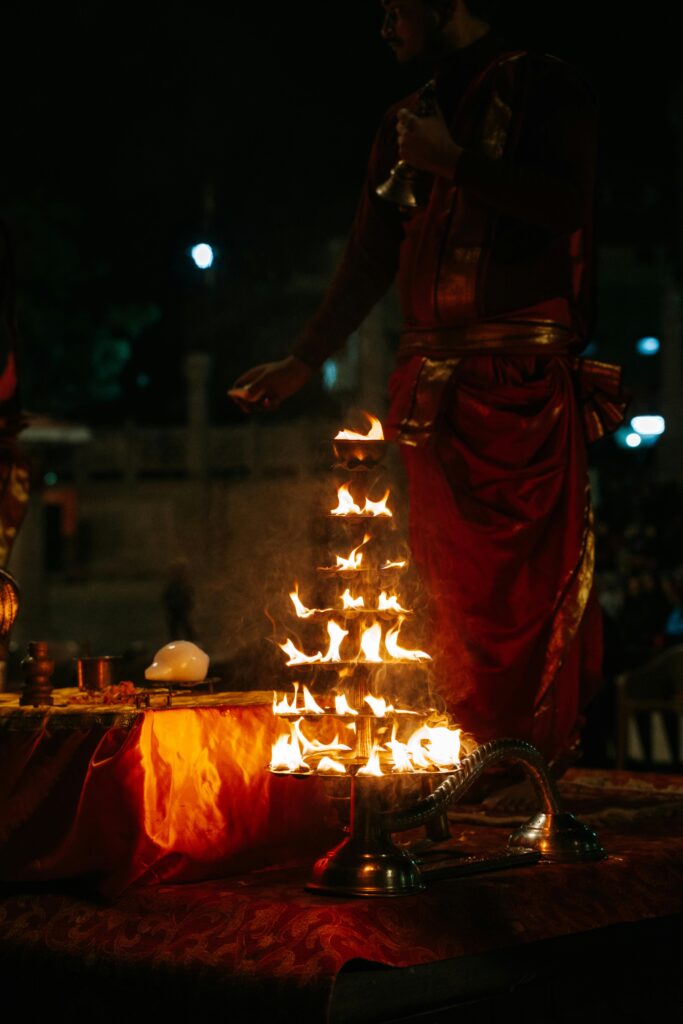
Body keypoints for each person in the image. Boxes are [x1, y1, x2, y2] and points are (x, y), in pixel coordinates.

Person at [230, 0, 626, 769]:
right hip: (434, 393)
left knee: (524, 590)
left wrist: (457, 165)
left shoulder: (546, 87)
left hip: (520, 388)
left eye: (395, 7)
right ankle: (467, 758)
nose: (383, 26)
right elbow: (370, 255)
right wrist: (303, 360)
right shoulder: (405, 119)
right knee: (449, 590)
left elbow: (564, 205)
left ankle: (527, 763)